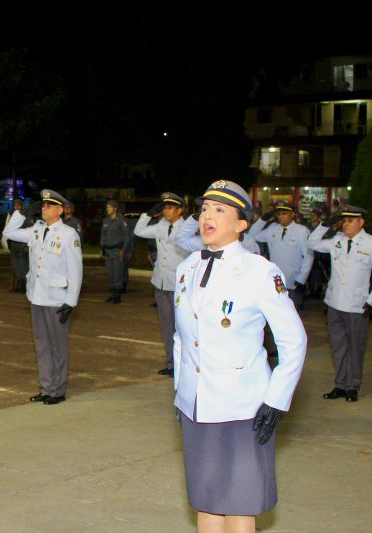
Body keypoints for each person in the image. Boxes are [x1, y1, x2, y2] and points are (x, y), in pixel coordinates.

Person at [173, 180, 306, 533]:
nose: (207, 217)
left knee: (239, 503)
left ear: (241, 224)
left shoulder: (260, 271)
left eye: (220, 210)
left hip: (243, 406)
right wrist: (181, 391)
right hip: (198, 404)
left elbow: (293, 341)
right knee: (207, 499)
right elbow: (181, 338)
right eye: (204, 209)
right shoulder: (187, 268)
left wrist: (276, 401)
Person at [3, 189, 82, 405]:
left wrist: (71, 301)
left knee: (58, 345)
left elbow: (76, 270)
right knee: (42, 345)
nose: (44, 208)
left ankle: (58, 390)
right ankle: (46, 387)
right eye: (43, 205)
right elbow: (9, 233)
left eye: (49, 206)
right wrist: (20, 212)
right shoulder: (36, 231)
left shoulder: (68, 235)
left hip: (57, 298)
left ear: (59, 210)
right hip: (37, 296)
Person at [308, 204, 372, 402]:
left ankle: (352, 386)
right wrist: (325, 224)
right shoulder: (337, 240)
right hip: (335, 303)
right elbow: (312, 243)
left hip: (357, 305)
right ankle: (340, 384)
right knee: (338, 347)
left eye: (350, 220)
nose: (346, 224)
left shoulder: (371, 243)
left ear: (361, 222)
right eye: (344, 220)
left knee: (355, 347)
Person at [133, 192, 189, 377]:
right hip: (161, 282)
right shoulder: (160, 226)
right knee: (166, 326)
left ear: (180, 210)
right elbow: (138, 231)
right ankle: (171, 364)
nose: (166, 211)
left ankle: (183, 365)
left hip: (179, 286)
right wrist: (148, 215)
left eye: (170, 207)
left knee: (182, 328)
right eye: (164, 207)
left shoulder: (187, 228)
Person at [250, 201, 313, 310]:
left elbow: (308, 256)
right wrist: (263, 219)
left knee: (291, 313)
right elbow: (252, 235)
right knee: (274, 311)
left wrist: (302, 278)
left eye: (284, 213)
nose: (281, 216)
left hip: (293, 280)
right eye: (278, 214)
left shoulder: (301, 231)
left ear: (292, 214)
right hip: (275, 279)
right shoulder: (273, 228)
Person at [99, 200, 131, 303]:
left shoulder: (122, 221)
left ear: (115, 208)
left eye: (109, 207)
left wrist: (123, 250)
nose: (107, 209)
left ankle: (117, 296)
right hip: (107, 251)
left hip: (118, 251)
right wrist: (101, 249)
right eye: (107, 207)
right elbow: (103, 236)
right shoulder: (105, 221)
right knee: (110, 273)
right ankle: (112, 294)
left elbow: (127, 237)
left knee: (117, 273)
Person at [7, 197, 34, 293]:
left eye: (18, 205)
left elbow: (31, 232)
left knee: (24, 266)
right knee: (17, 266)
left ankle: (25, 286)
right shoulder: (13, 217)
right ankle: (20, 284)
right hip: (14, 245)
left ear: (22, 206)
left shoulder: (27, 217)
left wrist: (28, 246)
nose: (16, 207)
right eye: (15, 205)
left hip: (23, 246)